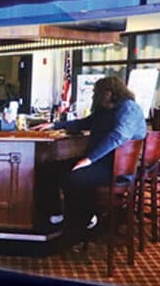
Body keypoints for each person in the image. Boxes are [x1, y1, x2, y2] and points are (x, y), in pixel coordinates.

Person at [31, 75, 146, 251]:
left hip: (115, 168)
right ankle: (57, 215)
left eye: (96, 93)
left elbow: (118, 136)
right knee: (49, 169)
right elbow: (84, 123)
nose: (93, 96)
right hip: (101, 161)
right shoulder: (105, 110)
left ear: (108, 93)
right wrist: (55, 125)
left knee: (72, 177)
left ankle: (84, 220)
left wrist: (88, 159)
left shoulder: (128, 109)